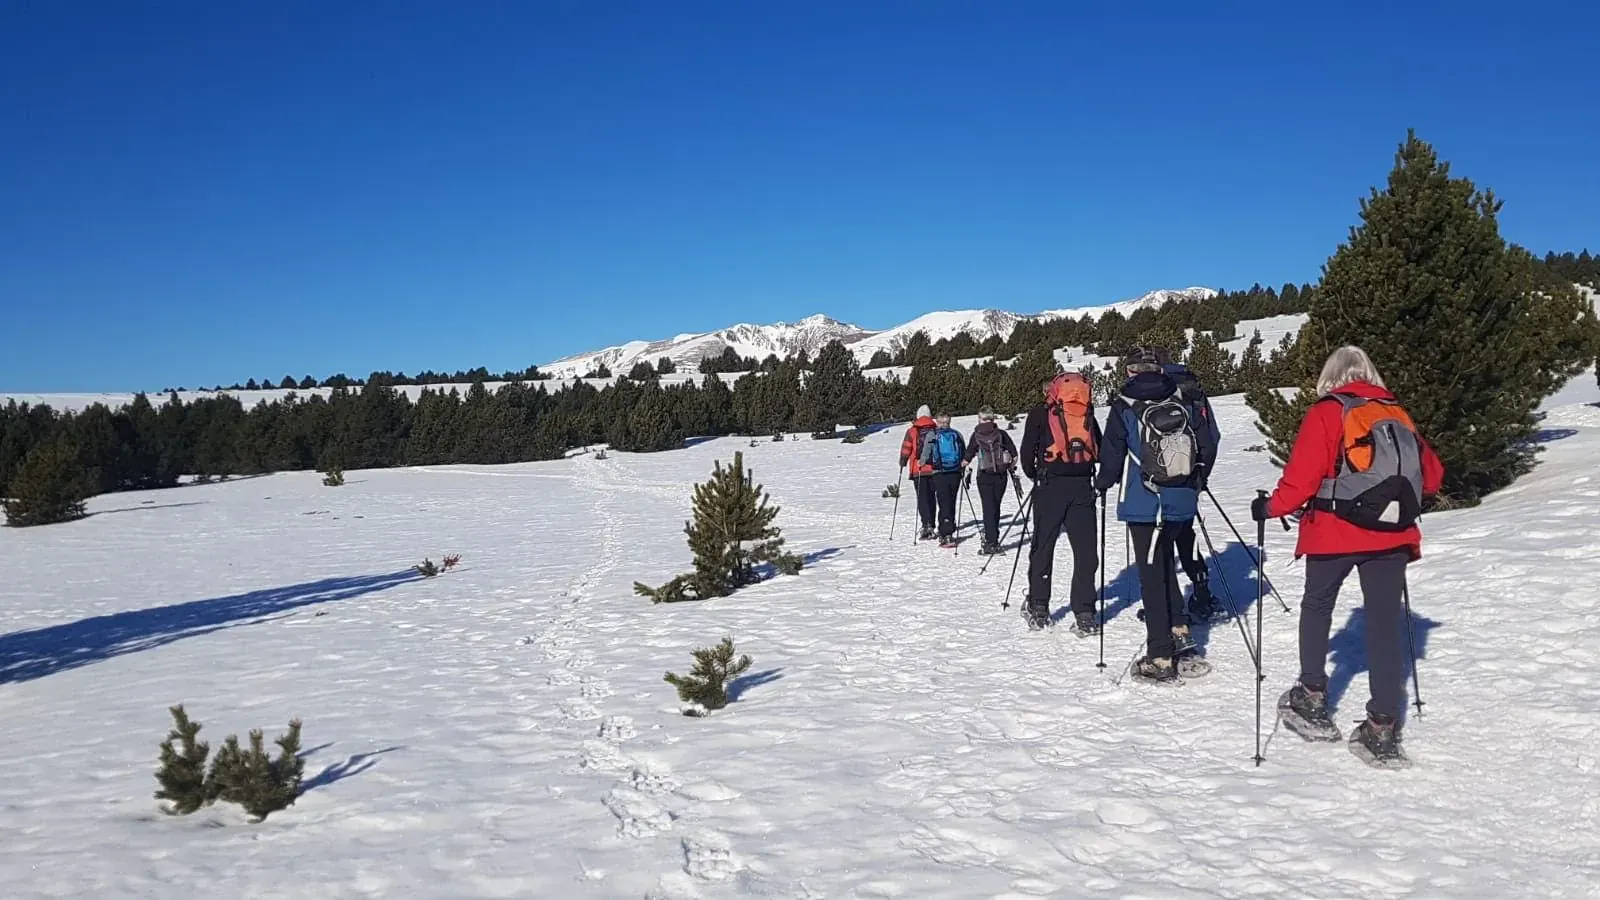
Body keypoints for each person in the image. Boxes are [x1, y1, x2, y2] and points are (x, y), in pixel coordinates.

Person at [1255, 345, 1443, 766]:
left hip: (1334, 532)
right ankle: (1382, 726)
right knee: (1383, 624)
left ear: (1329, 376)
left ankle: (1312, 697)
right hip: (1391, 536)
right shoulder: (1396, 412)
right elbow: (1432, 477)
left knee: (1318, 605)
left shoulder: (1327, 411)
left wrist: (1270, 508)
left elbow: (1301, 480)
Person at [1095, 346, 1218, 682]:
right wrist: (1196, 481)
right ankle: (1179, 630)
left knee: (1152, 576)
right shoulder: (1184, 397)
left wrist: (1101, 484)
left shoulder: (1124, 405)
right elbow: (1206, 443)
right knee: (1167, 568)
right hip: (1181, 500)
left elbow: (1112, 456)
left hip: (1144, 503)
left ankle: (1160, 655)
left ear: (1130, 371)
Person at [1019, 373, 1102, 632]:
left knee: (1043, 546)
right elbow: (1097, 447)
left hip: (1050, 486)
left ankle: (1039, 606)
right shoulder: (1085, 411)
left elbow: (1026, 453)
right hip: (1082, 487)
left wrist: (1036, 474)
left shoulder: (1040, 413)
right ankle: (1085, 612)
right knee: (1086, 551)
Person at [1161, 354, 1223, 620]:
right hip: (1191, 478)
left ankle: (1167, 605)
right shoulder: (1194, 390)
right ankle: (1202, 591)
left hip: (1162, 481)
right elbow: (1212, 437)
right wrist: (1200, 476)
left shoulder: (1159, 391)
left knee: (1160, 543)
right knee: (1186, 535)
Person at [965, 406, 1021, 556]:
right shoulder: (1001, 434)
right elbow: (1015, 454)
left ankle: (991, 542)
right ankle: (993, 538)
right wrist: (1010, 467)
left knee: (988, 508)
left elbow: (968, 455)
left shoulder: (976, 435)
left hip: (984, 476)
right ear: (993, 418)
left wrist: (962, 466)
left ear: (980, 418)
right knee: (996, 506)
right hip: (1001, 476)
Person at [919, 412, 968, 546]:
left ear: (937, 421)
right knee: (951, 500)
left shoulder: (932, 434)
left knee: (943, 501)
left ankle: (945, 533)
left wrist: (922, 462)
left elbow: (926, 452)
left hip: (938, 472)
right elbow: (964, 451)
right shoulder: (957, 434)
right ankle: (949, 528)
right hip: (955, 472)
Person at [898, 404, 939, 541]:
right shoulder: (936, 429)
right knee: (932, 497)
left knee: (922, 498)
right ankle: (932, 524)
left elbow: (906, 448)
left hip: (918, 470)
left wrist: (903, 462)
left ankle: (926, 525)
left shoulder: (912, 431)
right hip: (934, 469)